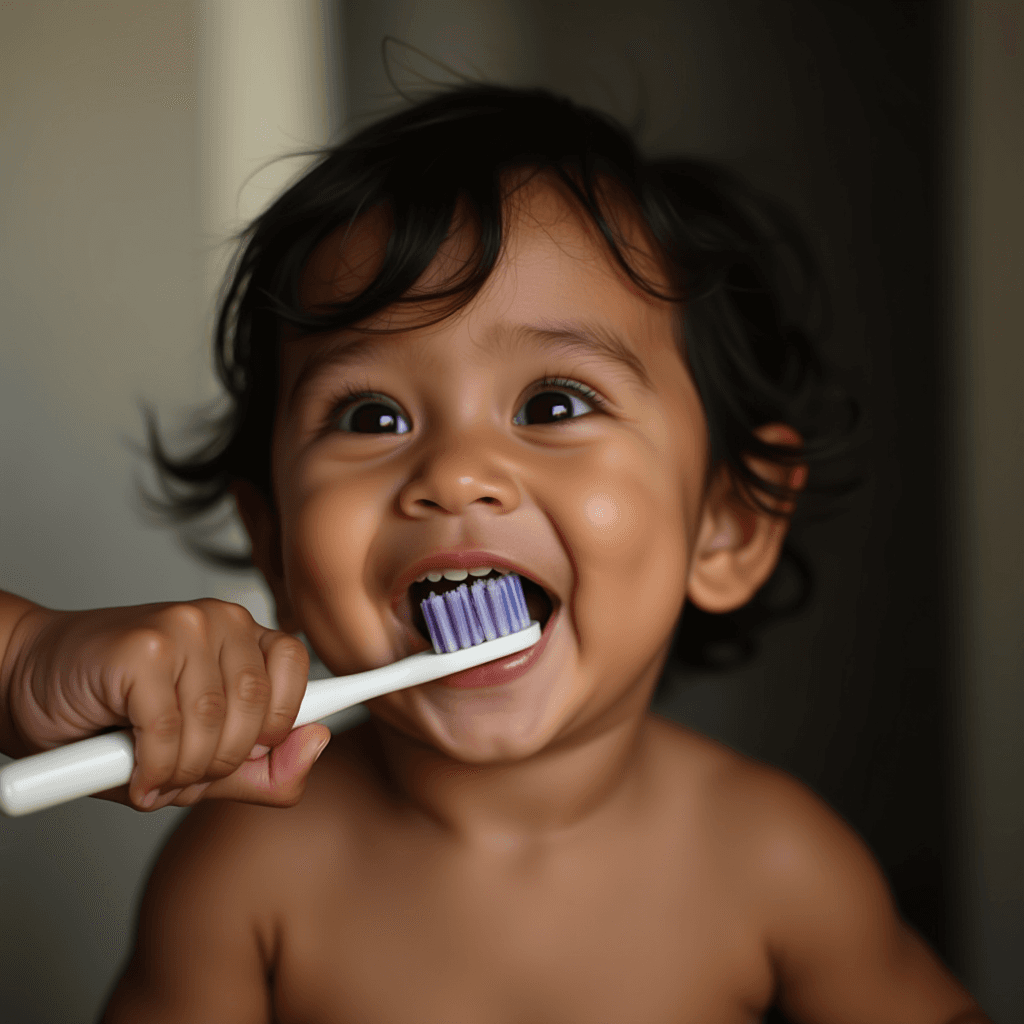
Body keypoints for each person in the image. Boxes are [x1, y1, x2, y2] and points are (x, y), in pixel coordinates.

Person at [0, 85, 989, 1023]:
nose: (456, 472)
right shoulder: (241, 873)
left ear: (724, 524)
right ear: (274, 542)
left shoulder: (776, 862)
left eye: (553, 403)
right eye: (370, 413)